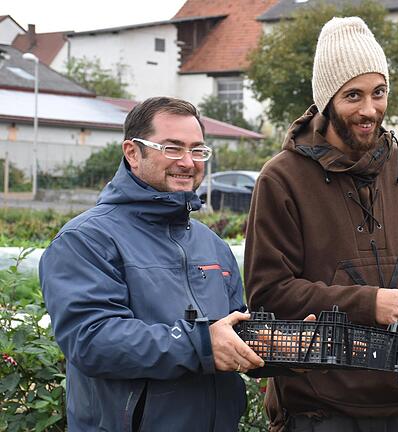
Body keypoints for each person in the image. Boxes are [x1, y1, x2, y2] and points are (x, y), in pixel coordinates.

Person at [244, 16, 398, 432]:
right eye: (353, 96)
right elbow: (268, 293)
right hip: (317, 408)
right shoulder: (282, 179)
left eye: (379, 92)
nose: (370, 110)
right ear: (327, 100)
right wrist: (369, 304)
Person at [39, 97, 266, 431]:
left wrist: (287, 349)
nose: (188, 162)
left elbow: (232, 334)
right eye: (172, 148)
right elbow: (92, 339)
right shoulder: (86, 239)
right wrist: (200, 344)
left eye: (198, 150)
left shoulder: (212, 245)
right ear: (133, 152)